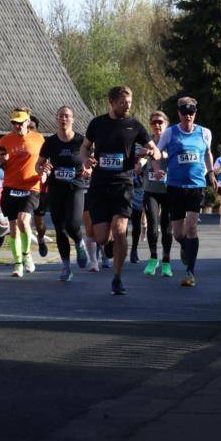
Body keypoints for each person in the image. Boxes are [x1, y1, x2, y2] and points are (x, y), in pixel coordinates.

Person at [81, 86, 161, 295]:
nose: (127, 106)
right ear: (112, 102)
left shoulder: (134, 125)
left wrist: (151, 151)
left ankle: (117, 278)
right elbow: (84, 147)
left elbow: (158, 152)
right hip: (99, 186)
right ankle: (106, 246)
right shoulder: (97, 123)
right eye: (123, 103)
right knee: (100, 237)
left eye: (129, 103)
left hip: (123, 185)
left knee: (120, 230)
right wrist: (85, 159)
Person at [153, 97, 214, 287]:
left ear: (195, 113)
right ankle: (184, 246)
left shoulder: (204, 133)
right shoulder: (170, 133)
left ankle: (190, 272)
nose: (188, 115)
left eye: (191, 112)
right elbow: (156, 152)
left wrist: (211, 172)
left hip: (196, 185)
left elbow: (207, 153)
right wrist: (156, 169)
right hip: (174, 186)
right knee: (178, 233)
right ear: (178, 113)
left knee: (192, 227)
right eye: (184, 112)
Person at [37, 106, 89, 281]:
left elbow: (92, 161)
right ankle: (66, 267)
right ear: (56, 119)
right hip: (56, 188)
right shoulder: (50, 142)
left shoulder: (81, 141)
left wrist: (89, 170)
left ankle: (79, 242)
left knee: (73, 224)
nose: (64, 119)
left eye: (67, 116)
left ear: (73, 119)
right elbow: (38, 165)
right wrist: (43, 168)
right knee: (59, 228)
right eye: (61, 116)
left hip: (75, 187)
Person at [0, 108, 46, 277]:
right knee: (14, 228)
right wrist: (0, 160)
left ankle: (27, 255)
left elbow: (47, 160)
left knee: (24, 221)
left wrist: (46, 171)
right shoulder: (6, 140)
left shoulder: (39, 139)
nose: (17, 126)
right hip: (11, 187)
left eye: (20, 122)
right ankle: (17, 265)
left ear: (28, 121)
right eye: (14, 123)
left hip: (31, 186)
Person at [140, 111, 174, 277]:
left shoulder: (172, 141)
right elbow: (142, 158)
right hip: (151, 190)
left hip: (169, 191)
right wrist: (139, 164)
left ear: (166, 123)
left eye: (160, 122)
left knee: (167, 227)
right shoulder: (148, 143)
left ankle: (166, 261)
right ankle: (153, 258)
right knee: (153, 226)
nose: (157, 125)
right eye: (153, 122)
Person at [29, 115, 51, 257]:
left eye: (32, 128)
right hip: (21, 186)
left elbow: (48, 164)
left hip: (39, 186)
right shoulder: (17, 141)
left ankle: (41, 238)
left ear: (37, 129)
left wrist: (46, 171)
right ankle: (25, 254)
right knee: (23, 220)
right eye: (28, 127)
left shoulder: (43, 143)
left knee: (40, 224)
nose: (29, 130)